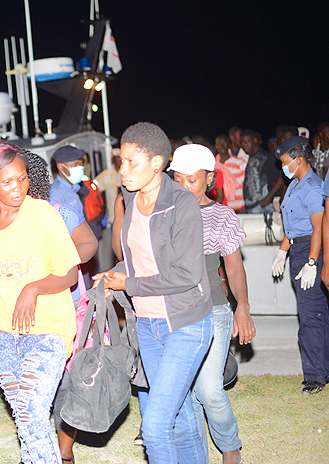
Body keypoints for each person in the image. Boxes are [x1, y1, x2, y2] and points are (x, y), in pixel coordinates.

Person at [0, 143, 81, 463]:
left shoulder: (44, 215)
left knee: (33, 413)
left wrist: (33, 288)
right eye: (7, 181)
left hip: (49, 328)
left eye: (22, 179)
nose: (17, 188)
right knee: (24, 416)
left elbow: (69, 276)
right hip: (2, 333)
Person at [97, 122, 213, 463]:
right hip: (146, 325)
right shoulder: (131, 200)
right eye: (121, 161)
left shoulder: (182, 203)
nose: (123, 169)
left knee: (156, 424)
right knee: (180, 417)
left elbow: (188, 274)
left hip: (186, 323)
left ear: (158, 163)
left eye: (133, 162)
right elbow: (136, 260)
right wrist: (114, 274)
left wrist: (128, 285)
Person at [169, 144, 256, 464]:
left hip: (214, 309)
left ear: (209, 179)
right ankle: (194, 453)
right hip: (174, 311)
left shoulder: (221, 216)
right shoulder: (163, 213)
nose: (183, 186)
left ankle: (231, 449)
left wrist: (243, 306)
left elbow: (234, 267)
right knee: (184, 392)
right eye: (177, 179)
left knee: (208, 390)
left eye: (190, 179)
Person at [24, 150, 98, 464]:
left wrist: (62, 265)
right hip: (22, 317)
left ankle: (64, 454)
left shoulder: (58, 209)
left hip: (62, 309)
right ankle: (36, 451)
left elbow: (88, 242)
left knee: (64, 386)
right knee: (31, 392)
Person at [272, 136, 328, 395]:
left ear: (299, 160)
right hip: (298, 248)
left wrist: (312, 262)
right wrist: (282, 253)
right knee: (315, 314)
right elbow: (293, 226)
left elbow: (318, 228)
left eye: (285, 162)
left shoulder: (314, 187)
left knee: (311, 317)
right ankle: (322, 369)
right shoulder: (295, 185)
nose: (283, 167)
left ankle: (316, 377)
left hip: (310, 250)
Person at [241, 129, 282, 213]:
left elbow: (281, 179)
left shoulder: (265, 157)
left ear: (255, 140)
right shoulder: (251, 157)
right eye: (242, 142)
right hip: (252, 207)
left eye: (247, 141)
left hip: (262, 207)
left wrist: (268, 198)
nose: (244, 145)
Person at [95, 148, 122, 271]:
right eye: (116, 159)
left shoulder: (128, 173)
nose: (119, 161)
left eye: (121, 158)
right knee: (110, 254)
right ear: (112, 159)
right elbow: (93, 188)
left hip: (129, 221)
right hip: (112, 220)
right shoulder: (107, 175)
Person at [50, 145, 87, 215]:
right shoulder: (56, 193)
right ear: (61, 167)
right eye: (75, 165)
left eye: (81, 164)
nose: (80, 168)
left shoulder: (74, 187)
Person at [215, 134, 247, 212]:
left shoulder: (240, 163)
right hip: (221, 208)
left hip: (239, 207)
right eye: (219, 144)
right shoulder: (213, 165)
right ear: (216, 146)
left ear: (229, 145)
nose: (222, 146)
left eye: (224, 143)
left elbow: (246, 186)